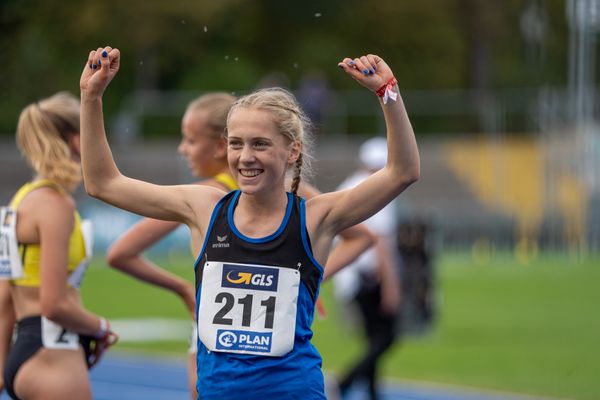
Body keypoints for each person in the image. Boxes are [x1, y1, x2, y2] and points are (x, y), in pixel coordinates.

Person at [79, 46, 419, 399]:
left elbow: (402, 172)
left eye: (260, 144)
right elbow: (103, 183)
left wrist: (387, 92)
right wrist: (91, 97)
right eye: (236, 144)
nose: (245, 157)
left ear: (293, 151)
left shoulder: (315, 217)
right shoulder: (204, 208)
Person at [106, 92, 375, 399]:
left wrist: (305, 279)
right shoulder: (204, 203)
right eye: (238, 142)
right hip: (221, 352)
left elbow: (120, 252)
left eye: (190, 140)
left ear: (217, 144)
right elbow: (107, 190)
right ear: (229, 145)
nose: (183, 149)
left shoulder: (280, 190)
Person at [0, 92, 118, 400]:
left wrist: (3, 368)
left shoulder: (21, 199)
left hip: (27, 353)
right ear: (78, 141)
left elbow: (4, 300)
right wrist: (101, 327)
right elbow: (54, 304)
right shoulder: (56, 205)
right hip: (53, 353)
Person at [332, 136, 402, 400]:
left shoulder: (348, 184)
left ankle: (372, 391)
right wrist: (391, 286)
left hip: (347, 275)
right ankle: (345, 381)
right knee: (386, 337)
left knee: (374, 338)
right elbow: (380, 244)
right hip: (367, 277)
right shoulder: (377, 190)